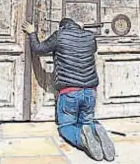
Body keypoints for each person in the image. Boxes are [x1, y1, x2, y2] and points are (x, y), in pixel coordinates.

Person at [22, 17, 115, 162]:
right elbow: (92, 48)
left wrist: (32, 33)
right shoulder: (90, 36)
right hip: (90, 91)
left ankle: (82, 139)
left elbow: (38, 49)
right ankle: (97, 133)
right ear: (78, 25)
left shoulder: (59, 35)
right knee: (87, 122)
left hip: (69, 91)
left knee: (66, 126)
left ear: (62, 27)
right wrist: (81, 30)